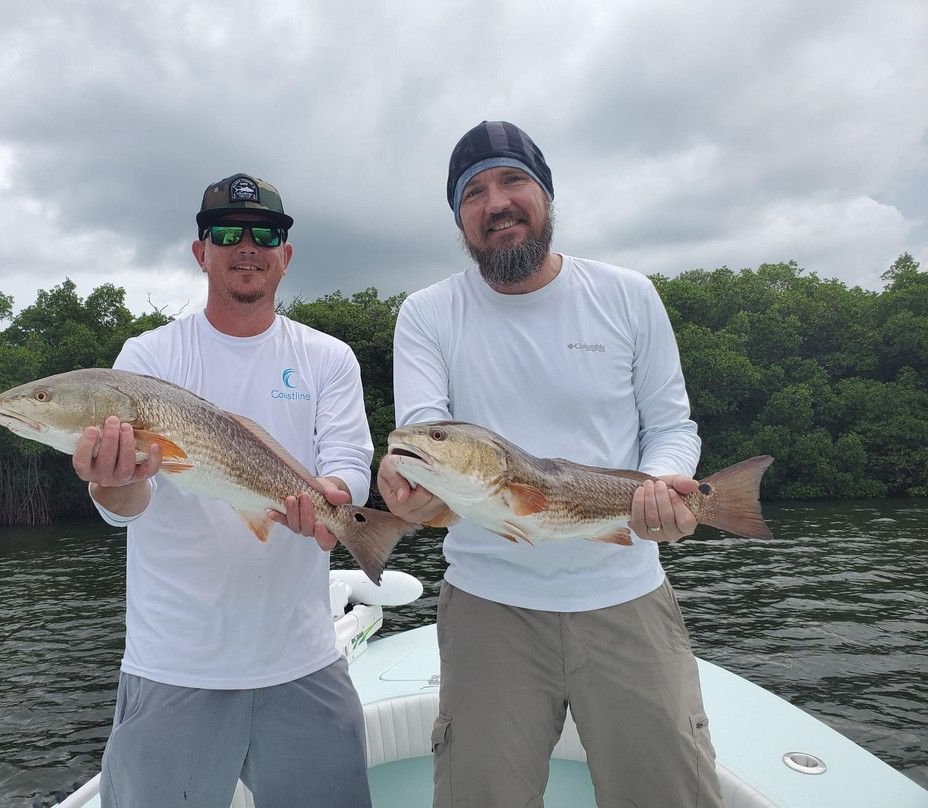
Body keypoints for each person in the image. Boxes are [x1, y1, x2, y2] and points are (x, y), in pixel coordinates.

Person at [377, 121, 724, 808]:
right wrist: (408, 486)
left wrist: (663, 488)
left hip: (625, 594)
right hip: (487, 606)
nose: (495, 202)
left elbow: (671, 425)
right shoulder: (426, 314)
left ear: (546, 195)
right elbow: (419, 438)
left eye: (512, 181)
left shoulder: (628, 295)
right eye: (472, 192)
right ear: (458, 219)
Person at [72, 173, 374, 808]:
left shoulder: (329, 358)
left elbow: (349, 462)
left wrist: (330, 500)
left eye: (266, 233)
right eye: (227, 232)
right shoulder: (148, 358)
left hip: (303, 659)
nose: (248, 245)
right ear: (200, 250)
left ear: (285, 255)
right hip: (175, 665)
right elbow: (129, 506)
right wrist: (111, 485)